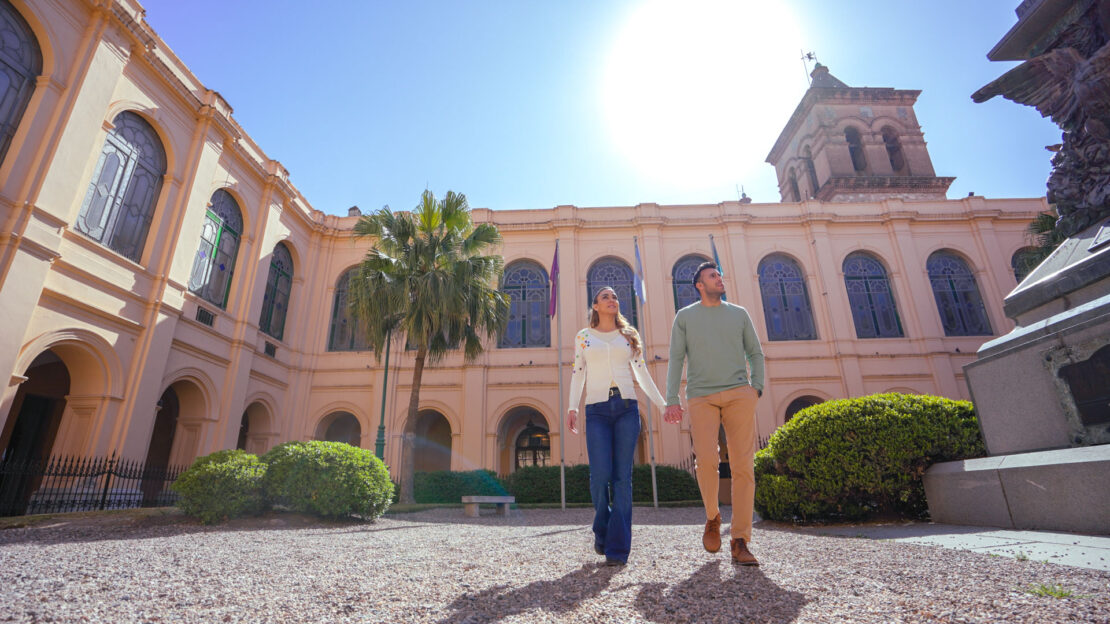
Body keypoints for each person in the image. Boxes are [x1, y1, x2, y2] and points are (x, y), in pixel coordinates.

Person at [663, 261, 765, 566]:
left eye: (719, 275)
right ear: (699, 285)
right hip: (700, 396)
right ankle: (712, 517)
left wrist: (755, 388)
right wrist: (671, 398)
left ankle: (740, 540)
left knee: (743, 466)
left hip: (739, 394)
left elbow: (755, 352)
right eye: (712, 276)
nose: (719, 279)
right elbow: (676, 358)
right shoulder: (685, 317)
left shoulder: (739, 313)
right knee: (706, 460)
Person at [567, 286, 666, 567]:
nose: (612, 300)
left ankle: (617, 549)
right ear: (595, 306)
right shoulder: (584, 338)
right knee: (600, 477)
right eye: (605, 297)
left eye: (614, 297)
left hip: (626, 409)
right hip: (596, 411)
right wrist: (572, 406)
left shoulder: (629, 336)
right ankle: (602, 530)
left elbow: (642, 373)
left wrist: (661, 405)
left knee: (623, 480)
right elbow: (578, 373)